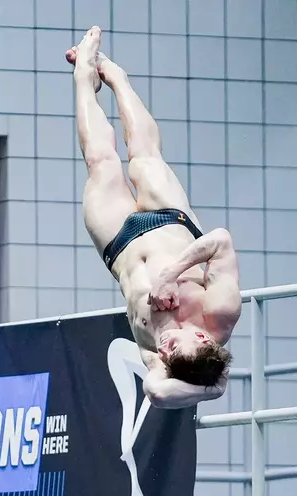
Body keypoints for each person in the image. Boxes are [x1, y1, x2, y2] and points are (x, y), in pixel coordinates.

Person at [66, 27, 241, 409]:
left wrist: (215, 386)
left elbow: (158, 393)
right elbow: (221, 240)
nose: (162, 351)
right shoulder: (221, 313)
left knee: (100, 162)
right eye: (172, 348)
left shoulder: (164, 362)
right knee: (143, 154)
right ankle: (115, 78)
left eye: (163, 357)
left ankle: (83, 75)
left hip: (119, 244)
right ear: (203, 340)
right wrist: (169, 274)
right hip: (168, 221)